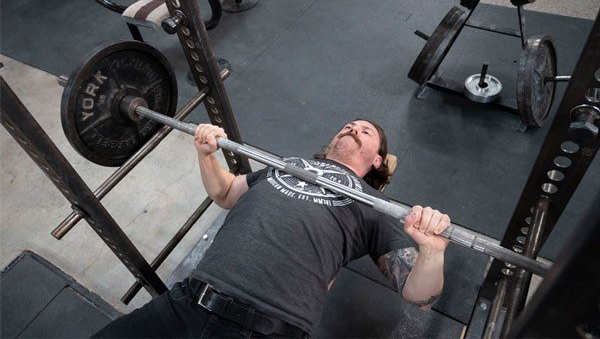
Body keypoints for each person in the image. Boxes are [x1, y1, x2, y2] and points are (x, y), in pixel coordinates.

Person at [93, 120, 451, 338]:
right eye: (348, 125)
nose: (353, 129)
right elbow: (227, 191)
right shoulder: (288, 166)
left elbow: (420, 296)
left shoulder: (373, 203)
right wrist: (206, 155)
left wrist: (432, 252)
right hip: (186, 301)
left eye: (365, 130)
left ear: (377, 160)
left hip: (264, 328)